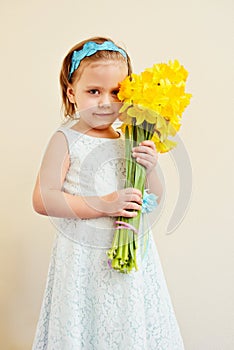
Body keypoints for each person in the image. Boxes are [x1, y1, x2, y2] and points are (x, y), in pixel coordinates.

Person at [32, 36, 185, 349]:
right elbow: (43, 198)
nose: (105, 101)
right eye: (93, 92)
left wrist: (151, 167)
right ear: (71, 93)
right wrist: (104, 204)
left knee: (125, 322)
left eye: (115, 92)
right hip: (83, 257)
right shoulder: (67, 138)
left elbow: (151, 200)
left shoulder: (129, 136)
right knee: (88, 321)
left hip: (130, 252)